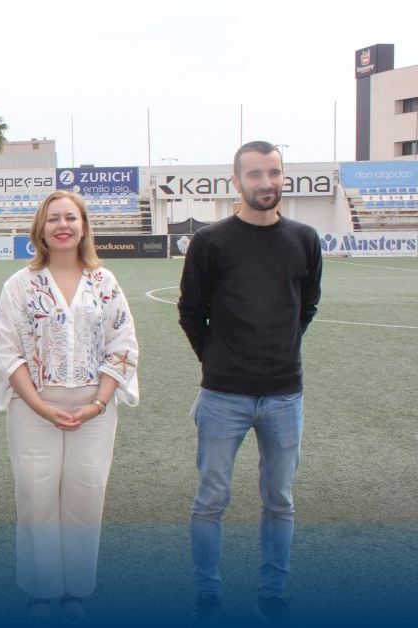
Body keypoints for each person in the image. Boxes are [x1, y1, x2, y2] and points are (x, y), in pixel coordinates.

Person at [178, 141, 322, 625]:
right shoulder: (211, 242)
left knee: (279, 501)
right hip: (223, 396)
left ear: (284, 177)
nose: (266, 182)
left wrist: (281, 350)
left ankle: (273, 591)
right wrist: (218, 360)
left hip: (285, 395)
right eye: (256, 174)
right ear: (236, 181)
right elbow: (191, 311)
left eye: (274, 172)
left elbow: (307, 305)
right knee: (210, 499)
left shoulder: (304, 239)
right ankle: (207, 592)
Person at [0, 189, 139, 624]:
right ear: (41, 228)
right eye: (54, 218)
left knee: (85, 496)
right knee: (35, 496)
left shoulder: (104, 282)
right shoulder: (20, 284)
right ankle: (40, 593)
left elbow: (122, 345)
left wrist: (98, 403)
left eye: (71, 218)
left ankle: (75, 591)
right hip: (33, 409)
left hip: (94, 409)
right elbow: (7, 351)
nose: (63, 225)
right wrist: (39, 405)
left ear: (84, 227)